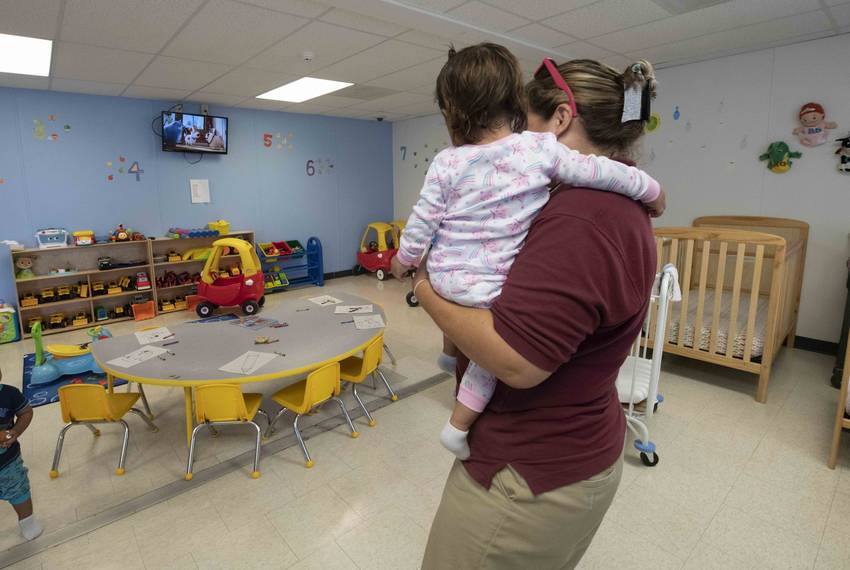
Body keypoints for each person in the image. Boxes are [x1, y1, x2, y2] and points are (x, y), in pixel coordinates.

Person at [417, 56, 660, 569]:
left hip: (527, 473)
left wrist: (426, 287)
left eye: (524, 121)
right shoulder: (610, 201)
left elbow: (518, 362)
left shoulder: (580, 217)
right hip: (567, 452)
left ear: (561, 121)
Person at [0, 368, 42, 541]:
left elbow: (25, 412)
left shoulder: (10, 394)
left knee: (18, 490)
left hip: (7, 461)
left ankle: (28, 522)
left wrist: (15, 431)